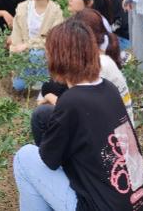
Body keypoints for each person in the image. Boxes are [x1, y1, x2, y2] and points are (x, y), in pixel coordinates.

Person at [14, 19, 143, 211]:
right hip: (136, 201)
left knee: (23, 157)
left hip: (100, 207)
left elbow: (49, 161)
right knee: (44, 116)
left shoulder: (72, 101)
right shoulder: (108, 88)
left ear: (57, 57)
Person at [32, 8, 134, 145]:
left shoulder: (99, 65)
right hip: (112, 134)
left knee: (42, 115)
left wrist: (51, 98)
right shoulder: (96, 60)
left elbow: (80, 110)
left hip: (109, 140)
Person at [9, 0, 63, 91]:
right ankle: (31, 77)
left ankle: (43, 81)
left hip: (43, 52)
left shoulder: (55, 11)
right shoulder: (22, 7)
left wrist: (28, 45)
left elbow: (52, 39)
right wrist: (16, 48)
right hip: (24, 52)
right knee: (19, 87)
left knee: (36, 54)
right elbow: (16, 33)